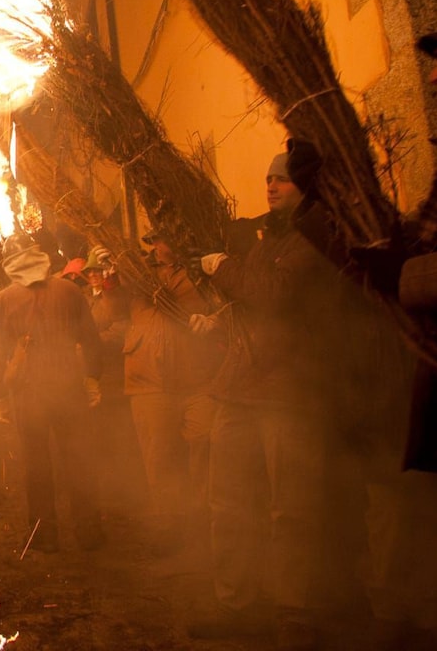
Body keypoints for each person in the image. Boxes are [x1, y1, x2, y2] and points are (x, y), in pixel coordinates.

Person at [188, 152, 341, 649]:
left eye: (282, 179)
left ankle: (295, 615)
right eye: (268, 178)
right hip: (239, 388)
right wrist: (219, 316)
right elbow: (248, 300)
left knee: (290, 510)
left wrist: (224, 267)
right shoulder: (265, 239)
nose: (271, 186)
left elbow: (273, 295)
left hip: (290, 393)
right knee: (227, 504)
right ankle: (236, 605)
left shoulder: (314, 239)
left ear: (304, 186)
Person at [0, 232, 105, 553]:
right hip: (69, 389)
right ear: (39, 255)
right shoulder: (68, 291)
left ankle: (44, 535)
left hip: (30, 395)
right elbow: (91, 339)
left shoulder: (3, 300)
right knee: (79, 461)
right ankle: (90, 532)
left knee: (37, 467)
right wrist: (92, 378)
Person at [123, 231, 222, 554]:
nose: (160, 247)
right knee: (159, 455)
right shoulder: (136, 272)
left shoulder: (200, 271)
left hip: (197, 376)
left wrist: (213, 321)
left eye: (165, 240)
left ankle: (200, 519)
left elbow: (228, 306)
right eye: (156, 241)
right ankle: (169, 523)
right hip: (149, 379)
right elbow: (109, 300)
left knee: (205, 440)